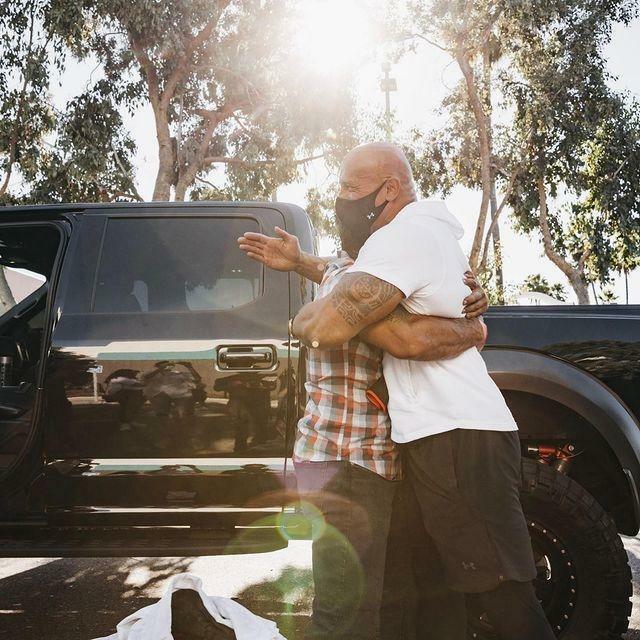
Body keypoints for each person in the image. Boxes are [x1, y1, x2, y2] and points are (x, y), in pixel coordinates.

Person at [291, 142, 556, 640]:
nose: (340, 198)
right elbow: (351, 280)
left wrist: (310, 314)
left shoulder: (403, 235)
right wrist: (308, 266)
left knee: (502, 594)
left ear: (389, 190)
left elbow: (337, 326)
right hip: (436, 438)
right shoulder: (420, 235)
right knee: (435, 600)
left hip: (458, 436)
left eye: (350, 187)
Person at [238, 224, 488, 637]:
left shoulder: (356, 274)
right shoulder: (364, 286)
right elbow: (411, 339)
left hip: (357, 458)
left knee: (385, 601)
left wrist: (299, 260)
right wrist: (475, 327)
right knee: (346, 614)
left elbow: (332, 267)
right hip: (348, 458)